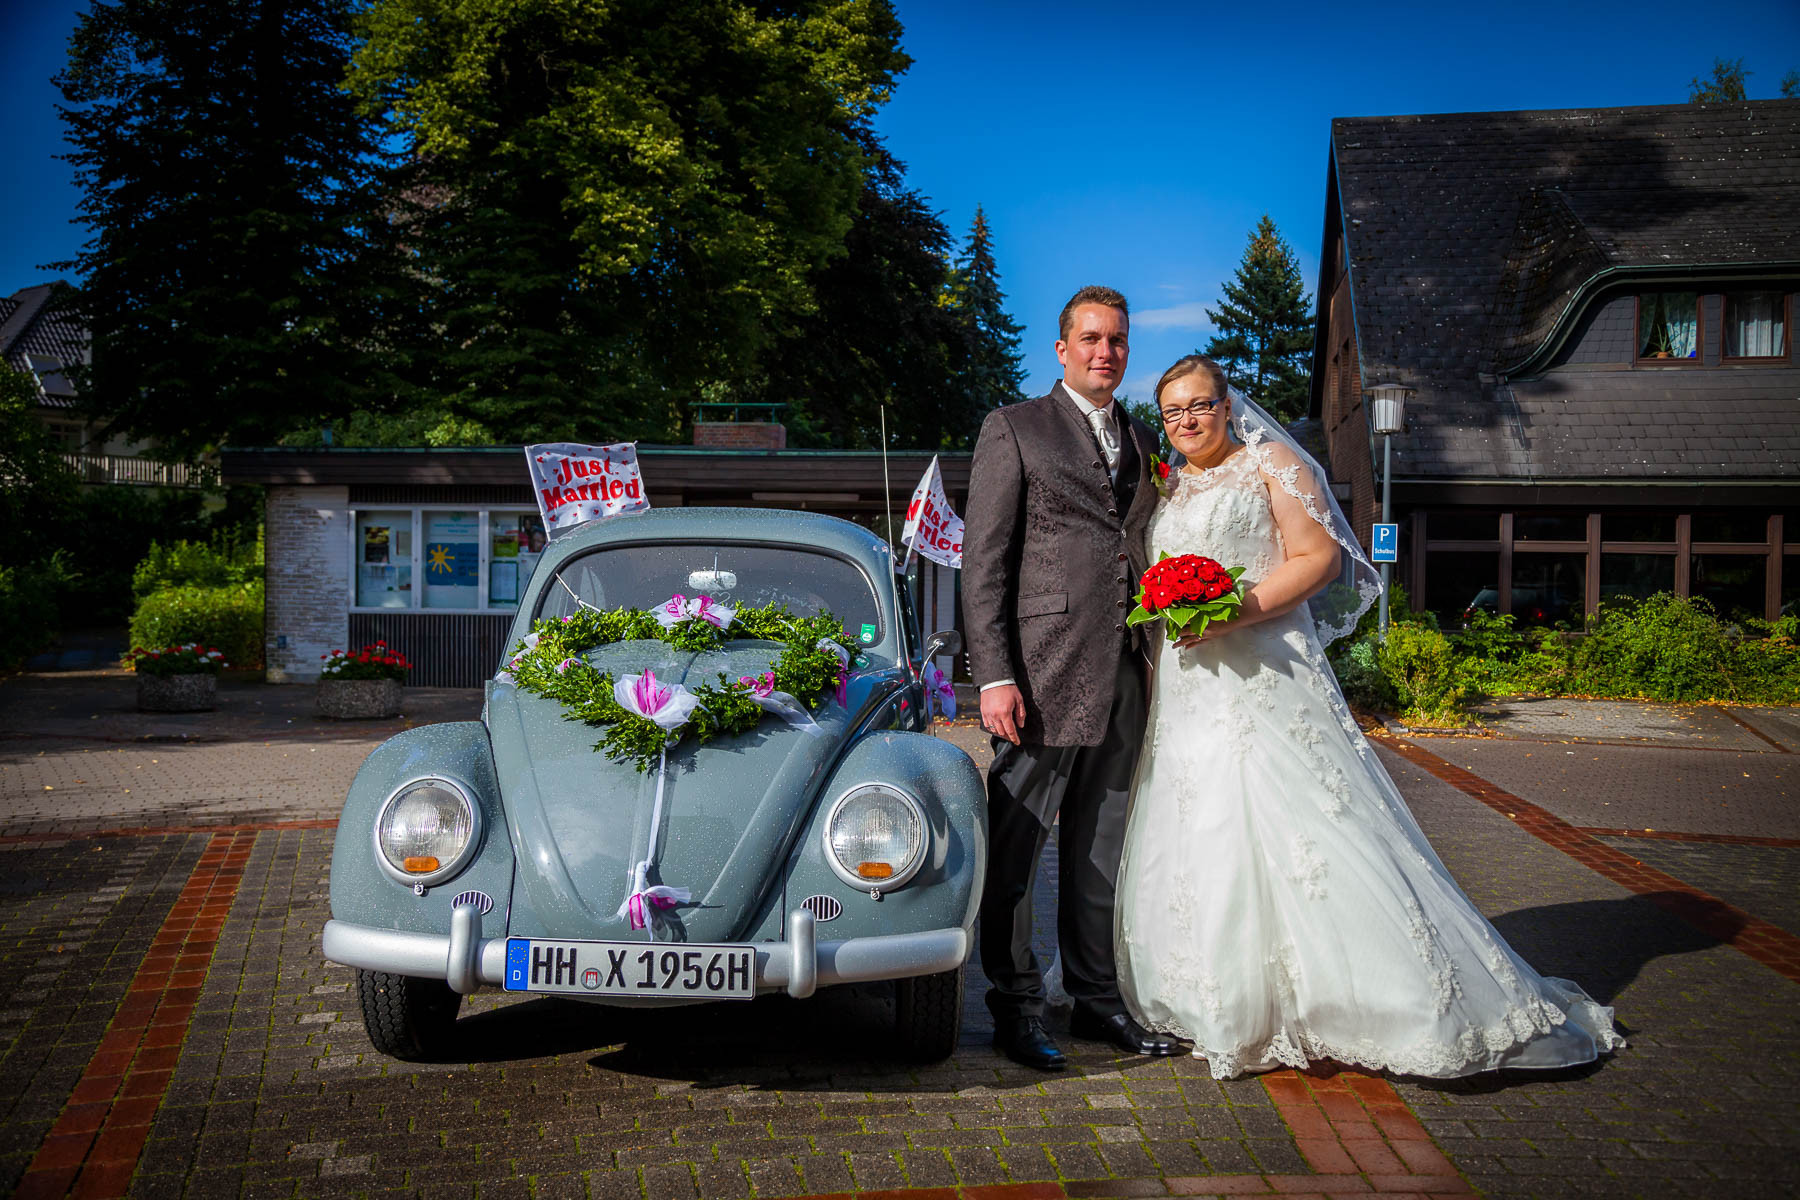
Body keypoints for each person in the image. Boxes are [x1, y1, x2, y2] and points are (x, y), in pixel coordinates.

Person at [1115, 355, 1626, 1079]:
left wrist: (1234, 613)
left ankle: (1370, 1000)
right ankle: (1221, 999)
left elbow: (1318, 559)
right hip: (1191, 684)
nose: (1186, 422)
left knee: (1305, 825)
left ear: (1228, 406)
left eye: (1199, 405)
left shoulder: (1273, 463)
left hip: (1261, 669)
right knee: (1200, 824)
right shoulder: (1172, 486)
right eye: (1172, 412)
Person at [963, 286, 1186, 1071]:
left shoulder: (1141, 433)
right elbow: (984, 561)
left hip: (1128, 667)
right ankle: (1016, 1008)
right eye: (1091, 338)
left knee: (1102, 846)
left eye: (1118, 340)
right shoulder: (1014, 428)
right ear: (1061, 350)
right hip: (1041, 672)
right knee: (1018, 849)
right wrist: (992, 675)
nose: (1106, 351)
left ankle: (1095, 1000)